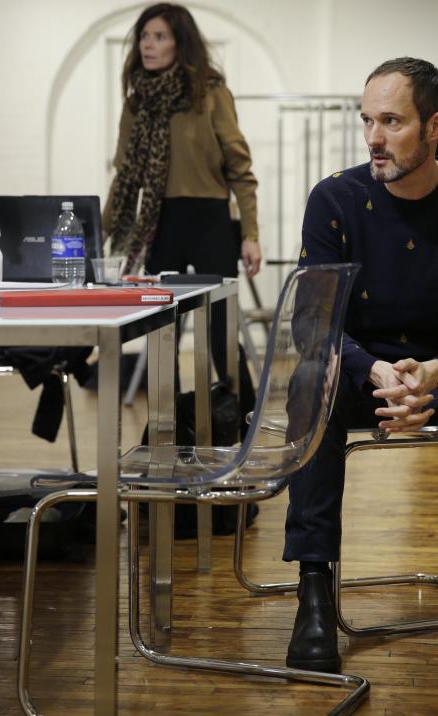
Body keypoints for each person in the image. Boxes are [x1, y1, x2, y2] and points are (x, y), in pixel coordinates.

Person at [284, 57, 438, 677]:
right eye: (368, 120)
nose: (373, 138)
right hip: (362, 378)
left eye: (392, 121)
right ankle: (314, 594)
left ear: (436, 125)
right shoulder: (335, 197)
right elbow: (313, 322)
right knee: (311, 376)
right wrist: (374, 370)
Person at [102, 2, 260, 420]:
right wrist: (95, 238)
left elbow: (240, 169)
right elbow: (123, 177)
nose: (148, 45)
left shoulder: (211, 94)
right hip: (160, 223)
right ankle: (165, 425)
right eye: (144, 36)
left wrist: (251, 233)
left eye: (160, 36)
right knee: (161, 332)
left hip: (210, 220)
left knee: (219, 332)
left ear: (181, 43)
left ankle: (241, 421)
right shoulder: (138, 102)